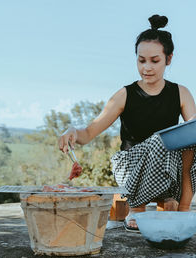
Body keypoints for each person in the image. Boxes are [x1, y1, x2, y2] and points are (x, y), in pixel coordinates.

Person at [59, 14, 196, 232]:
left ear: (168, 59)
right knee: (159, 141)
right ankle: (137, 208)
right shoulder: (125, 94)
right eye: (141, 60)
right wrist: (71, 130)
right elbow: (87, 133)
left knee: (191, 141)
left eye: (154, 60)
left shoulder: (181, 93)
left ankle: (185, 209)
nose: (146, 68)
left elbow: (192, 131)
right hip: (132, 170)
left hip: (168, 172)